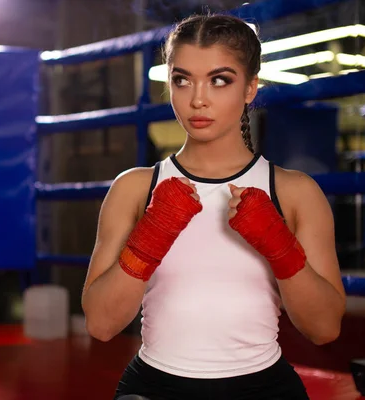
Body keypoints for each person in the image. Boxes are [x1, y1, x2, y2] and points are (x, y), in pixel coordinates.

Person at [81, 13, 347, 400]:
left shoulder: (293, 192)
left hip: (263, 387)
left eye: (219, 80)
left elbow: (324, 329)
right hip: (155, 387)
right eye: (182, 80)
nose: (198, 99)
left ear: (251, 87)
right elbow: (102, 325)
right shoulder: (137, 188)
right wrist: (152, 235)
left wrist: (279, 246)